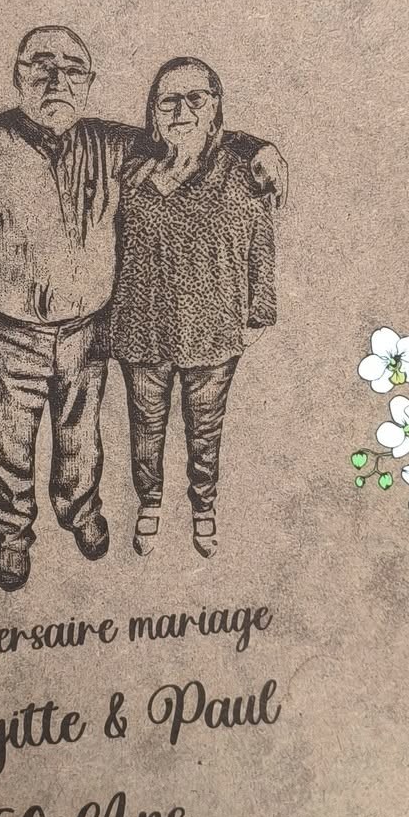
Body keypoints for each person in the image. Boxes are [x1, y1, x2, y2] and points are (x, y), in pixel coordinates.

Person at [0, 27, 284, 591]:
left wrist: (257, 149)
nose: (57, 81)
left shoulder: (113, 143)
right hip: (4, 334)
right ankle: (11, 536)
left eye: (73, 70)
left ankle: (79, 513)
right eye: (41, 66)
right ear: (17, 74)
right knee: (8, 448)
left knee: (81, 441)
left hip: (86, 334)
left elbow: (189, 134)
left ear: (89, 82)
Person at [109, 58, 277, 561]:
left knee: (205, 431)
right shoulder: (133, 173)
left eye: (195, 99)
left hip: (214, 330)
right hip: (143, 327)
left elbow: (261, 248)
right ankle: (150, 503)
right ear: (153, 113)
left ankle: (203, 507)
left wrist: (258, 315)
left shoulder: (245, 174)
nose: (181, 111)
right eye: (168, 101)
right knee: (146, 428)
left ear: (215, 107)